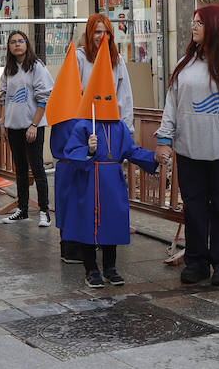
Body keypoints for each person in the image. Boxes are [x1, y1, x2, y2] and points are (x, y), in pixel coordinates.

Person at [155, 5, 219, 287]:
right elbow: (171, 108)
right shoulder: (184, 66)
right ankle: (197, 261)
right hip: (189, 154)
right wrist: (164, 139)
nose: (194, 26)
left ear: (216, 26)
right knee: (194, 210)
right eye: (193, 21)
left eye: (200, 22)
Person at [61, 50, 158, 287]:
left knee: (112, 222)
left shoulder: (119, 128)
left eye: (109, 97)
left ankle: (110, 267)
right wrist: (89, 150)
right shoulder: (83, 125)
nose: (104, 102)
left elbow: (131, 151)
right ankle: (91, 269)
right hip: (87, 182)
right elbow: (70, 153)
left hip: (112, 183)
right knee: (87, 224)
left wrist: (154, 158)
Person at [0, 30, 54, 226]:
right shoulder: (9, 69)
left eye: (20, 41)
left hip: (32, 126)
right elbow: (4, 96)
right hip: (13, 127)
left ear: (26, 44)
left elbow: (44, 98)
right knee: (20, 169)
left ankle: (44, 211)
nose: (16, 45)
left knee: (37, 168)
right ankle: (22, 209)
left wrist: (34, 124)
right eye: (12, 42)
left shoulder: (37, 67)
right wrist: (4, 123)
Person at [45, 41, 86, 265]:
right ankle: (70, 247)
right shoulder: (67, 107)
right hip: (70, 164)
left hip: (75, 163)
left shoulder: (69, 104)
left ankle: (76, 244)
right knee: (71, 204)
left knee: (76, 204)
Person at [77, 14, 134, 134]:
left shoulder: (117, 60)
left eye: (107, 32)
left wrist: (127, 130)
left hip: (111, 125)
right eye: (97, 32)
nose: (103, 36)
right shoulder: (79, 58)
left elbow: (124, 96)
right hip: (84, 126)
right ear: (89, 33)